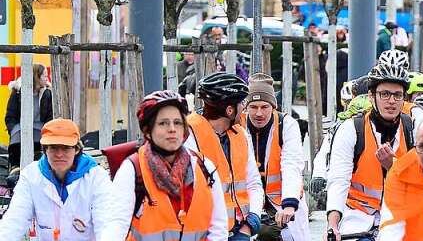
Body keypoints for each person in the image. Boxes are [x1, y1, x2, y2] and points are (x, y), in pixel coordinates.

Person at [107, 91, 228, 241]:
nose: (172, 129)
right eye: (163, 123)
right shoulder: (133, 169)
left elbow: (218, 228)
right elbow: (115, 225)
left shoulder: (204, 166)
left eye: (177, 122)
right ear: (148, 131)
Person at [326, 58, 414, 239]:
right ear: (371, 96)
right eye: (384, 94)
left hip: (401, 215)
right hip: (358, 216)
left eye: (398, 95)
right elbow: (338, 180)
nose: (391, 101)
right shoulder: (351, 129)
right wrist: (332, 225)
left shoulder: (413, 127)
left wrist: (393, 166)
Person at [0, 118, 114, 241]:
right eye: (53, 147)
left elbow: (106, 225)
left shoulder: (97, 177)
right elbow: (14, 221)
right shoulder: (30, 176)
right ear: (45, 150)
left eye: (65, 148)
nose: (59, 154)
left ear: (76, 149)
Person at [186, 72, 264, 241]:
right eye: (241, 104)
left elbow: (253, 183)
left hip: (240, 231)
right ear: (230, 110)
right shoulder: (189, 136)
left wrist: (250, 224)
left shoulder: (241, 134)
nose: (244, 109)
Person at [242, 74, 309, 241]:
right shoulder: (238, 125)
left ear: (273, 106)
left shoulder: (286, 125)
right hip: (247, 200)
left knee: (269, 234)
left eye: (264, 107)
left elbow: (291, 165)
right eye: (253, 107)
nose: (259, 113)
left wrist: (289, 204)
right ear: (245, 107)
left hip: (281, 201)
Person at [5, 63, 54, 168]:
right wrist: (13, 129)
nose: (47, 78)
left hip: (40, 129)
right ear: (37, 76)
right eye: (45, 76)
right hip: (20, 129)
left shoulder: (47, 94)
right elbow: (10, 115)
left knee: (39, 151)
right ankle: (15, 168)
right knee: (16, 144)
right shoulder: (18, 92)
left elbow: (50, 115)